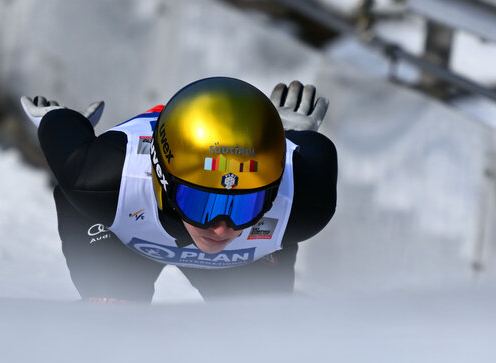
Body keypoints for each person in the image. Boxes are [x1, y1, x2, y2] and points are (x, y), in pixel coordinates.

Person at [21, 77, 337, 302]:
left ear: (272, 194)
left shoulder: (306, 201)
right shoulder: (101, 178)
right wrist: (60, 119)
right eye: (201, 204)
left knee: (258, 335)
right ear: (161, 177)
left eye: (244, 207)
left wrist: (290, 138)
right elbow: (71, 150)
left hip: (134, 219)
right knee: (110, 313)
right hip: (119, 228)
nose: (220, 229)